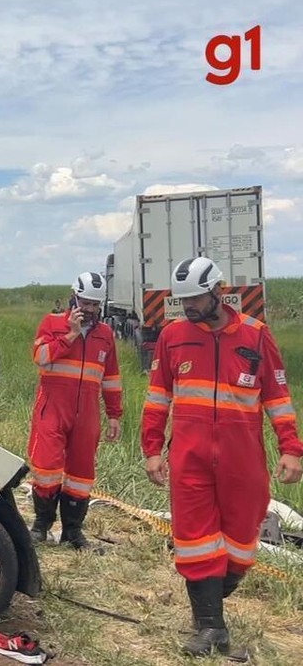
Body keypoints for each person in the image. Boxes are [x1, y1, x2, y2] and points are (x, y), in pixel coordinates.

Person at [141, 256, 302, 657]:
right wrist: (152, 450)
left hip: (242, 459)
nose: (189, 306)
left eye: (196, 297)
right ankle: (211, 626)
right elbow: (158, 396)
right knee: (194, 540)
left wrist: (291, 448)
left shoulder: (256, 335)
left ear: (218, 291)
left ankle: (213, 601)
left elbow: (278, 398)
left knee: (242, 542)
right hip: (189, 458)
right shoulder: (173, 335)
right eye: (184, 300)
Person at [26, 272, 122, 549]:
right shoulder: (52, 323)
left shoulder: (105, 335)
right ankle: (41, 525)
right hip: (52, 408)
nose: (90, 309)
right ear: (73, 298)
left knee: (81, 474)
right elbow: (40, 358)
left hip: (87, 413)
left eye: (95, 304)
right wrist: (70, 335)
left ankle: (72, 531)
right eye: (85, 302)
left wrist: (114, 414)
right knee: (46, 468)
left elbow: (111, 377)